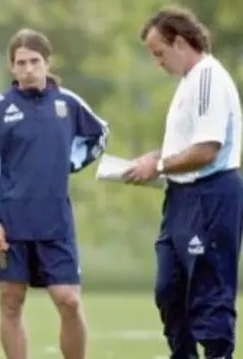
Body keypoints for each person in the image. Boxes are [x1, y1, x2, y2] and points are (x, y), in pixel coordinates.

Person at [0, 28, 109, 359]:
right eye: (21, 62)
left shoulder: (68, 103)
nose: (28, 68)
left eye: (35, 61)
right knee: (11, 302)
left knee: (69, 301)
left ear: (47, 62)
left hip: (55, 221)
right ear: (11, 66)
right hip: (11, 223)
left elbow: (99, 134)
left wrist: (72, 161)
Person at [124, 6, 243, 359]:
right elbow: (186, 146)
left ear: (179, 42)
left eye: (160, 54)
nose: (159, 63)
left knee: (209, 293)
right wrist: (151, 160)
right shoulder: (188, 83)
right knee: (169, 292)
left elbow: (206, 150)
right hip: (180, 198)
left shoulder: (208, 77)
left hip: (210, 196)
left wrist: (158, 165)